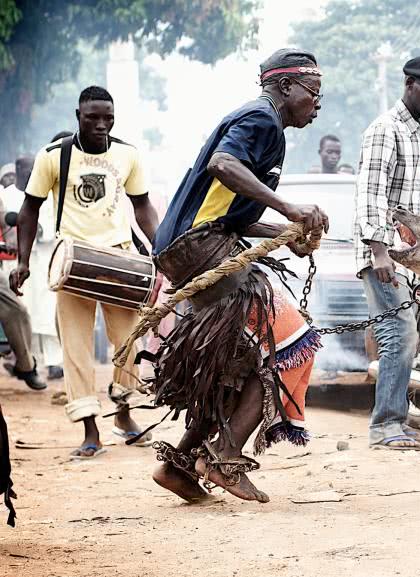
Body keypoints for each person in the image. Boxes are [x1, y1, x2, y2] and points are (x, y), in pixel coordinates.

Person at [149, 49, 328, 503]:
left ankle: (179, 465)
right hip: (200, 248)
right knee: (293, 342)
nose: (317, 103)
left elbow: (231, 214)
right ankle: (224, 454)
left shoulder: (266, 126)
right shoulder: (261, 119)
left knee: (235, 362)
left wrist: (283, 232)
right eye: (314, 92)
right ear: (285, 87)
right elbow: (222, 167)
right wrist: (289, 207)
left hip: (197, 245)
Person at [13, 86, 159, 457]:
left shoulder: (127, 154)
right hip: (72, 261)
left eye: (107, 117)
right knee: (76, 349)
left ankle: (124, 415)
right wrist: (24, 261)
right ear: (77, 114)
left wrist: (162, 247)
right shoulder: (53, 157)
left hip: (119, 260)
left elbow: (142, 207)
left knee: (128, 342)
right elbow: (29, 209)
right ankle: (90, 431)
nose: (101, 124)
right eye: (92, 117)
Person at [355, 55, 420, 451]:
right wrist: (379, 251)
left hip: (407, 255)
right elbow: (370, 195)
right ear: (409, 84)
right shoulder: (385, 130)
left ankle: (394, 420)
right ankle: (385, 427)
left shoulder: (419, 132)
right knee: (399, 336)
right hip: (384, 255)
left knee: (406, 336)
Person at [5, 153, 64, 383]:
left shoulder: (45, 195)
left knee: (47, 313)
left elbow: (49, 225)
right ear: (17, 170)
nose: (30, 174)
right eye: (26, 170)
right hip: (11, 263)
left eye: (33, 170)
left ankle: (54, 362)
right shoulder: (6, 194)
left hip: (41, 263)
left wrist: (36, 229)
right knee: (23, 312)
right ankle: (29, 362)